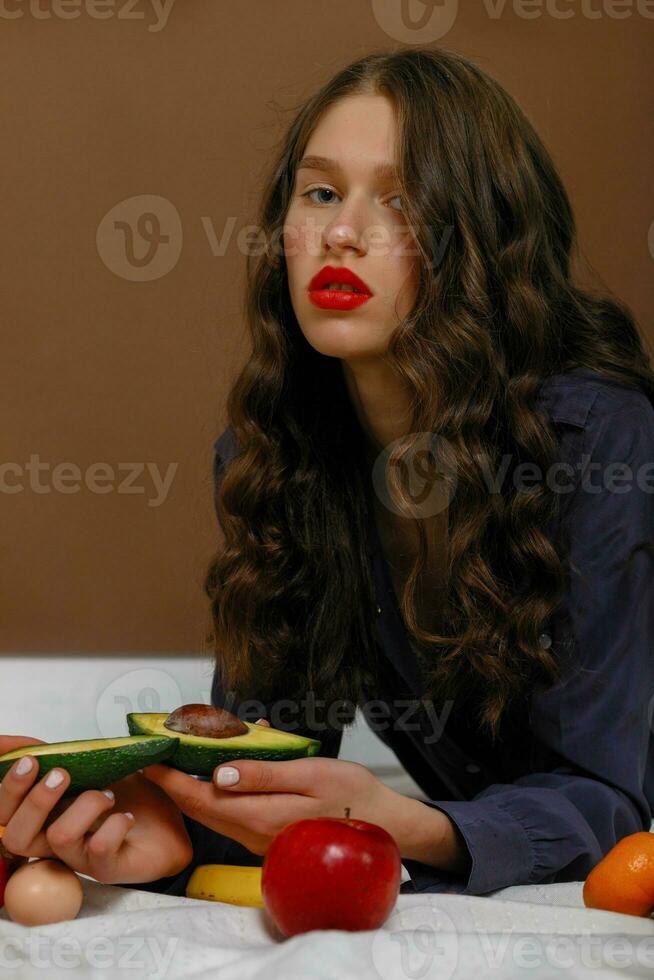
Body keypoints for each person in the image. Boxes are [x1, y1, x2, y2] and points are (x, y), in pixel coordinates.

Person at [1, 46, 652, 898]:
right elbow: (269, 751)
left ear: (484, 242)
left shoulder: (602, 442)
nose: (342, 232)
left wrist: (399, 822)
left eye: (403, 202)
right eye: (320, 193)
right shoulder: (276, 454)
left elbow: (610, 801)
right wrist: (168, 833)